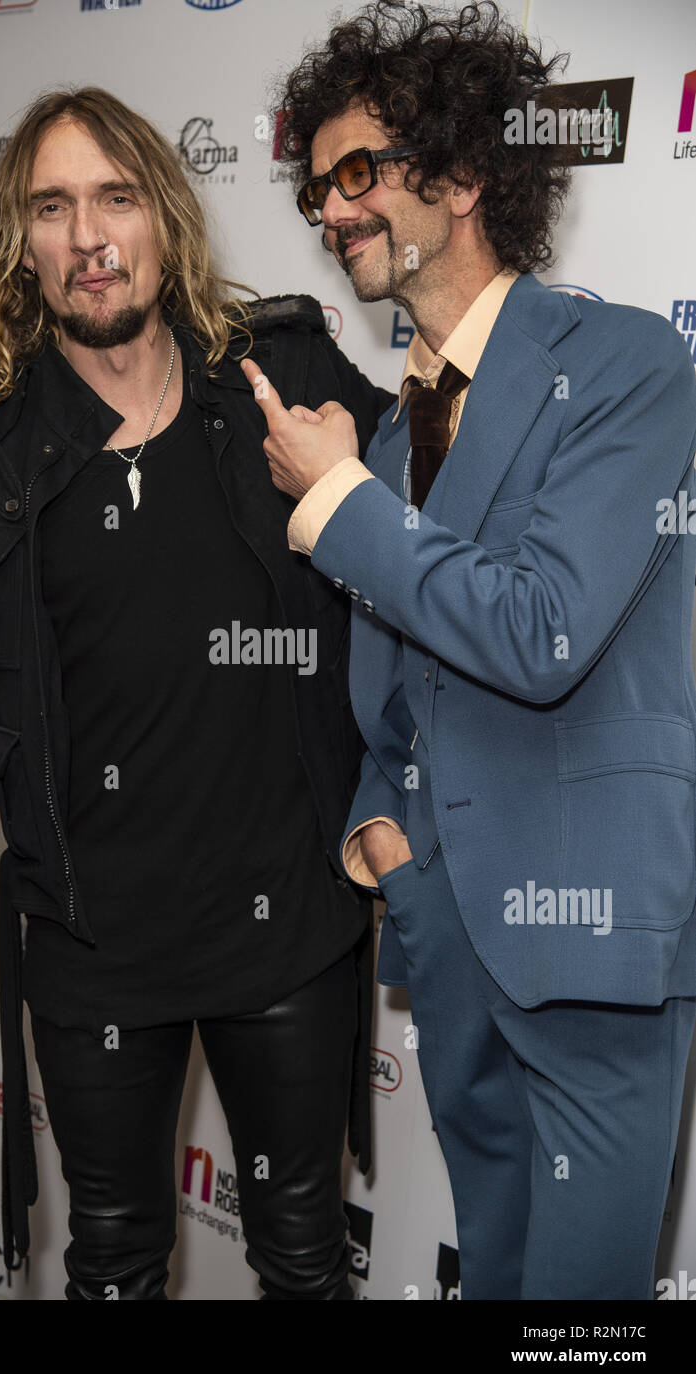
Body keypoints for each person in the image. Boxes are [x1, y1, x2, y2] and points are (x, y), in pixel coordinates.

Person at [0, 85, 395, 1301]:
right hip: (94, 938)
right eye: (52, 205)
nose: (88, 234)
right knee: (112, 1264)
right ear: (22, 241)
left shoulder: (281, 372)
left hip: (287, 923)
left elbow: (426, 544)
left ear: (163, 216)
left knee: (304, 1256)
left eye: (114, 196)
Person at [243, 1, 696, 1299]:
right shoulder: (388, 437)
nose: (330, 211)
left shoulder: (623, 361)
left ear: (461, 172)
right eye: (315, 185)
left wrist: (333, 505)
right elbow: (403, 685)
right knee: (493, 1267)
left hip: (590, 930)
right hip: (446, 933)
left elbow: (541, 630)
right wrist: (383, 829)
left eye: (357, 171)